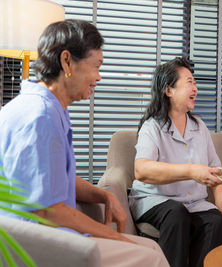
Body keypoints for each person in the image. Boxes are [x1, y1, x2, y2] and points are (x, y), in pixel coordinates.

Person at [0, 19, 169, 267]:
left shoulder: (49, 107)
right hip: (32, 244)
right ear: (67, 61)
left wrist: (104, 195)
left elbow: (51, 178)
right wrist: (113, 235)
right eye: (96, 66)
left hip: (48, 234)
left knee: (151, 246)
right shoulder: (39, 117)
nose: (98, 77)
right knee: (149, 258)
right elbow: (48, 210)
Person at [130, 57, 222, 267]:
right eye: (189, 82)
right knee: (176, 214)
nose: (196, 88)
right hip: (154, 199)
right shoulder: (152, 127)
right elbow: (141, 170)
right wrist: (191, 171)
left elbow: (215, 167)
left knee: (216, 221)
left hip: (193, 203)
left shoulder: (199, 126)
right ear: (168, 90)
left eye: (195, 82)